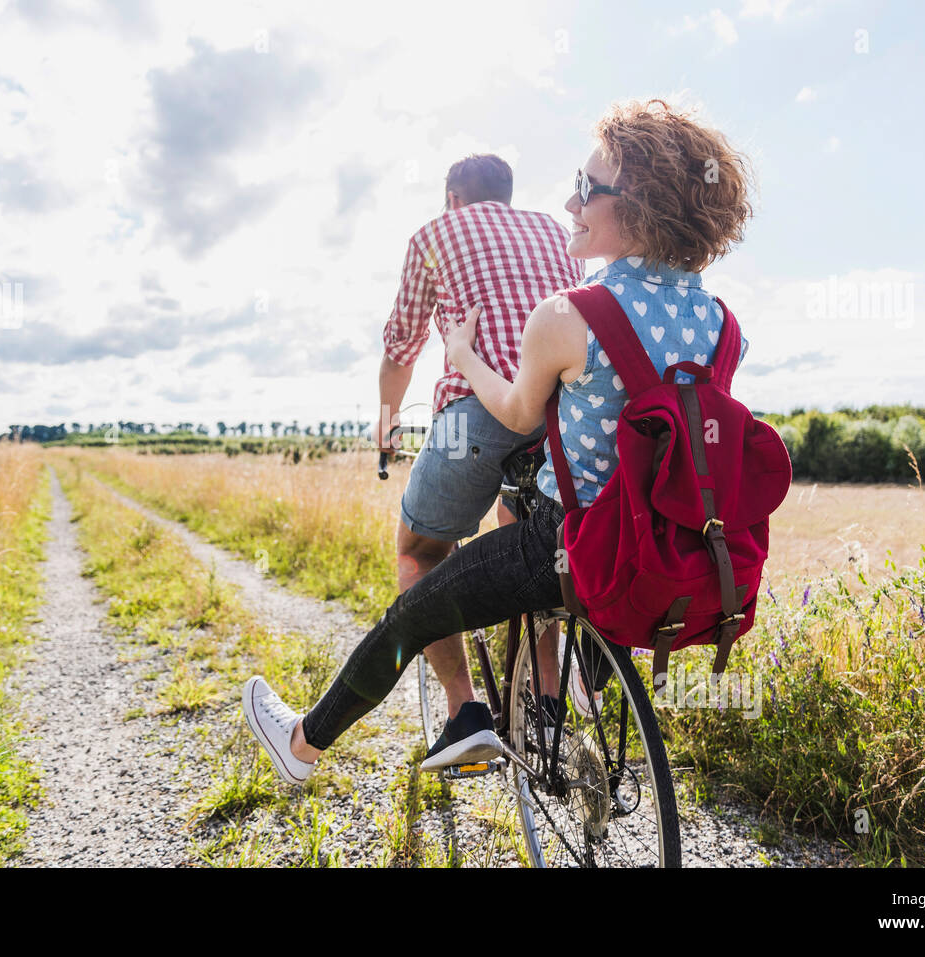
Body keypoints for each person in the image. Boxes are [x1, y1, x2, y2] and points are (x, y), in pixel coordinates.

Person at [244, 99, 753, 786]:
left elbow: (515, 412)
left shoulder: (570, 314)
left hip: (566, 538)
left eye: (587, 188)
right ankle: (547, 702)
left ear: (636, 207)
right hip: (659, 544)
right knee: (521, 549)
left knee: (413, 601)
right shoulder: (724, 324)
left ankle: (310, 742)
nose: (571, 201)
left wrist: (460, 351)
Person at [376, 153, 583, 769]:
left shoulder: (435, 234)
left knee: (420, 552)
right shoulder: (555, 230)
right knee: (532, 550)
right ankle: (548, 705)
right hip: (562, 415)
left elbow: (400, 348)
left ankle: (465, 714)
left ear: (453, 198)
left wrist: (387, 427)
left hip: (477, 414)